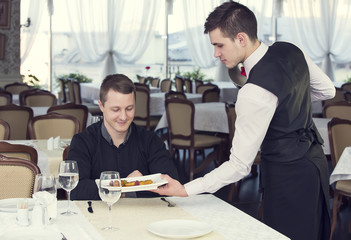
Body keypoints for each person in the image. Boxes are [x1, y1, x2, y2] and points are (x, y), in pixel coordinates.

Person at [153, 2, 335, 240]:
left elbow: (239, 166)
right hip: (315, 165)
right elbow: (327, 91)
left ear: (241, 38)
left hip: (288, 178)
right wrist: (286, 103)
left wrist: (185, 189)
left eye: (219, 45)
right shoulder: (291, 49)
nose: (216, 54)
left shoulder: (253, 92)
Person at [68, 74, 178, 200]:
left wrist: (107, 189)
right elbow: (76, 189)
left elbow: (170, 184)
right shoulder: (82, 142)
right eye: (116, 109)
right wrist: (124, 186)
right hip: (97, 217)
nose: (123, 117)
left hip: (142, 217)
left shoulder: (150, 141)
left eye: (129, 108)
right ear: (101, 106)